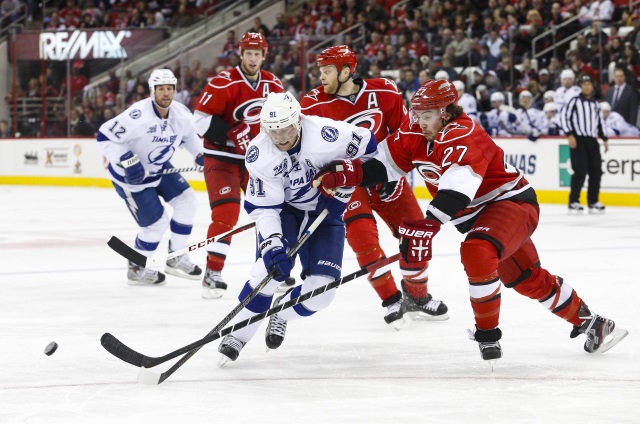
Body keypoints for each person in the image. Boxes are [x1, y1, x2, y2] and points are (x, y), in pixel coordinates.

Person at [314, 79, 628, 363]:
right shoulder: (415, 132)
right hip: (480, 217)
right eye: (417, 114)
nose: (418, 122)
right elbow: (382, 165)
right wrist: (347, 175)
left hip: (511, 204)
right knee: (525, 277)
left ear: (446, 113)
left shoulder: (464, 133)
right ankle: (595, 325)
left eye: (426, 116)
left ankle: (488, 335)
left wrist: (429, 223)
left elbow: (457, 189)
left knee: (476, 251)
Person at [216, 92, 378, 365]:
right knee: (267, 272)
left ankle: (281, 313)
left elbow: (371, 145)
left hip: (326, 214)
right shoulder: (259, 154)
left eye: (286, 129)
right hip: (286, 212)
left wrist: (345, 178)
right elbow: (266, 209)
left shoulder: (328, 134)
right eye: (272, 130)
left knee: (323, 293)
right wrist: (273, 245)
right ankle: (237, 335)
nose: (279, 137)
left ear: (299, 121)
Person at [299, 45, 448, 327]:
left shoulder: (385, 91)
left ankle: (417, 296)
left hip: (385, 172)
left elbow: (407, 137)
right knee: (363, 240)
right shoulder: (311, 104)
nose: (321, 77)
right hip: (345, 180)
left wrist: (395, 175)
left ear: (346, 71)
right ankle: (391, 299)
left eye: (327, 71)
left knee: (416, 234)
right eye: (320, 71)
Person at [193, 33, 284, 299]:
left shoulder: (273, 84)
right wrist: (231, 133)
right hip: (221, 158)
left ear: (264, 55)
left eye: (258, 53)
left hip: (256, 161)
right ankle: (213, 273)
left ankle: (272, 267)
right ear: (241, 54)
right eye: (248, 53)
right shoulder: (223, 83)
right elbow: (199, 119)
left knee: (271, 212)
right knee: (227, 214)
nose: (253, 58)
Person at [96, 69, 204, 285]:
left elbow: (189, 138)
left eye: (169, 89)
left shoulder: (181, 114)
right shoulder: (137, 116)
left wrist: (200, 155)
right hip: (131, 178)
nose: (166, 93)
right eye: (161, 89)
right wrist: (126, 159)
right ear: (151, 91)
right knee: (156, 225)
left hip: (158, 167)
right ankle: (136, 268)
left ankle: (176, 257)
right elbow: (104, 136)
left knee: (187, 201)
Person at [560, 75, 609, 214]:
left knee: (596, 172)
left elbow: (600, 123)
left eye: (589, 84)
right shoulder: (574, 101)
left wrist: (605, 139)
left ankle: (593, 201)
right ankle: (573, 201)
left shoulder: (595, 104)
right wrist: (569, 135)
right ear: (581, 86)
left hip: (592, 141)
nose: (587, 86)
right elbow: (565, 117)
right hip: (578, 139)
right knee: (580, 171)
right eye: (584, 84)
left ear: (592, 87)